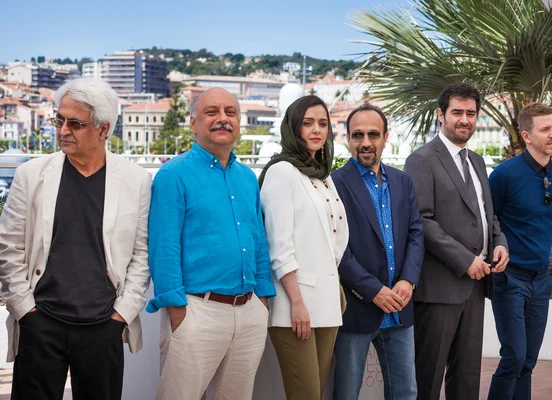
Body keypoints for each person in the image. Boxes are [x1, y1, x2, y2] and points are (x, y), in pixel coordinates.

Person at [0, 77, 152, 400]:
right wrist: (25, 311)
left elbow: (142, 255)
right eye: (59, 119)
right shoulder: (31, 175)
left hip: (103, 327)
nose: (63, 130)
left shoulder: (137, 181)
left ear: (103, 129)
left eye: (75, 123)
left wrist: (120, 316)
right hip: (41, 324)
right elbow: (8, 247)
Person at [147, 87, 276, 400]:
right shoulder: (173, 175)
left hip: (248, 312)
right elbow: (163, 248)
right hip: (196, 311)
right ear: (193, 124)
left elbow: (258, 241)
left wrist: (262, 298)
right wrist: (179, 312)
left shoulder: (247, 177)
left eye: (230, 112)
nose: (223, 119)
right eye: (212, 112)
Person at [404, 83, 509, 400]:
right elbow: (421, 220)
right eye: (457, 112)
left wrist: (499, 242)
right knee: (428, 379)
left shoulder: (477, 161)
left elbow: (487, 215)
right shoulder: (421, 160)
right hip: (439, 289)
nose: (465, 119)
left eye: (471, 113)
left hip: (476, 288)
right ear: (441, 114)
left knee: (466, 380)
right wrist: (466, 260)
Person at [258, 95, 349, 400]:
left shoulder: (322, 175)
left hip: (327, 299)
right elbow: (278, 245)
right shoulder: (282, 172)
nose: (316, 130)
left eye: (322, 124)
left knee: (317, 391)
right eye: (307, 123)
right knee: (305, 393)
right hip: (295, 302)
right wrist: (296, 302)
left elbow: (333, 238)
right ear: (293, 128)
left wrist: (335, 288)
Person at [331, 104, 424, 400]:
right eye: (358, 135)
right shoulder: (334, 184)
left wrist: (408, 281)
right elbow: (337, 249)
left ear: (386, 138)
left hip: (400, 307)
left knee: (406, 392)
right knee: (347, 394)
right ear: (347, 138)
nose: (366, 142)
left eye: (373, 134)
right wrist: (374, 291)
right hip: (357, 310)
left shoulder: (402, 181)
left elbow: (415, 234)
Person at [487, 103, 552, 400]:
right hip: (509, 279)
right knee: (514, 358)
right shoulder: (503, 175)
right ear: (526, 135)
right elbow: (488, 219)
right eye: (545, 129)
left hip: (540, 280)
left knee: (529, 362)